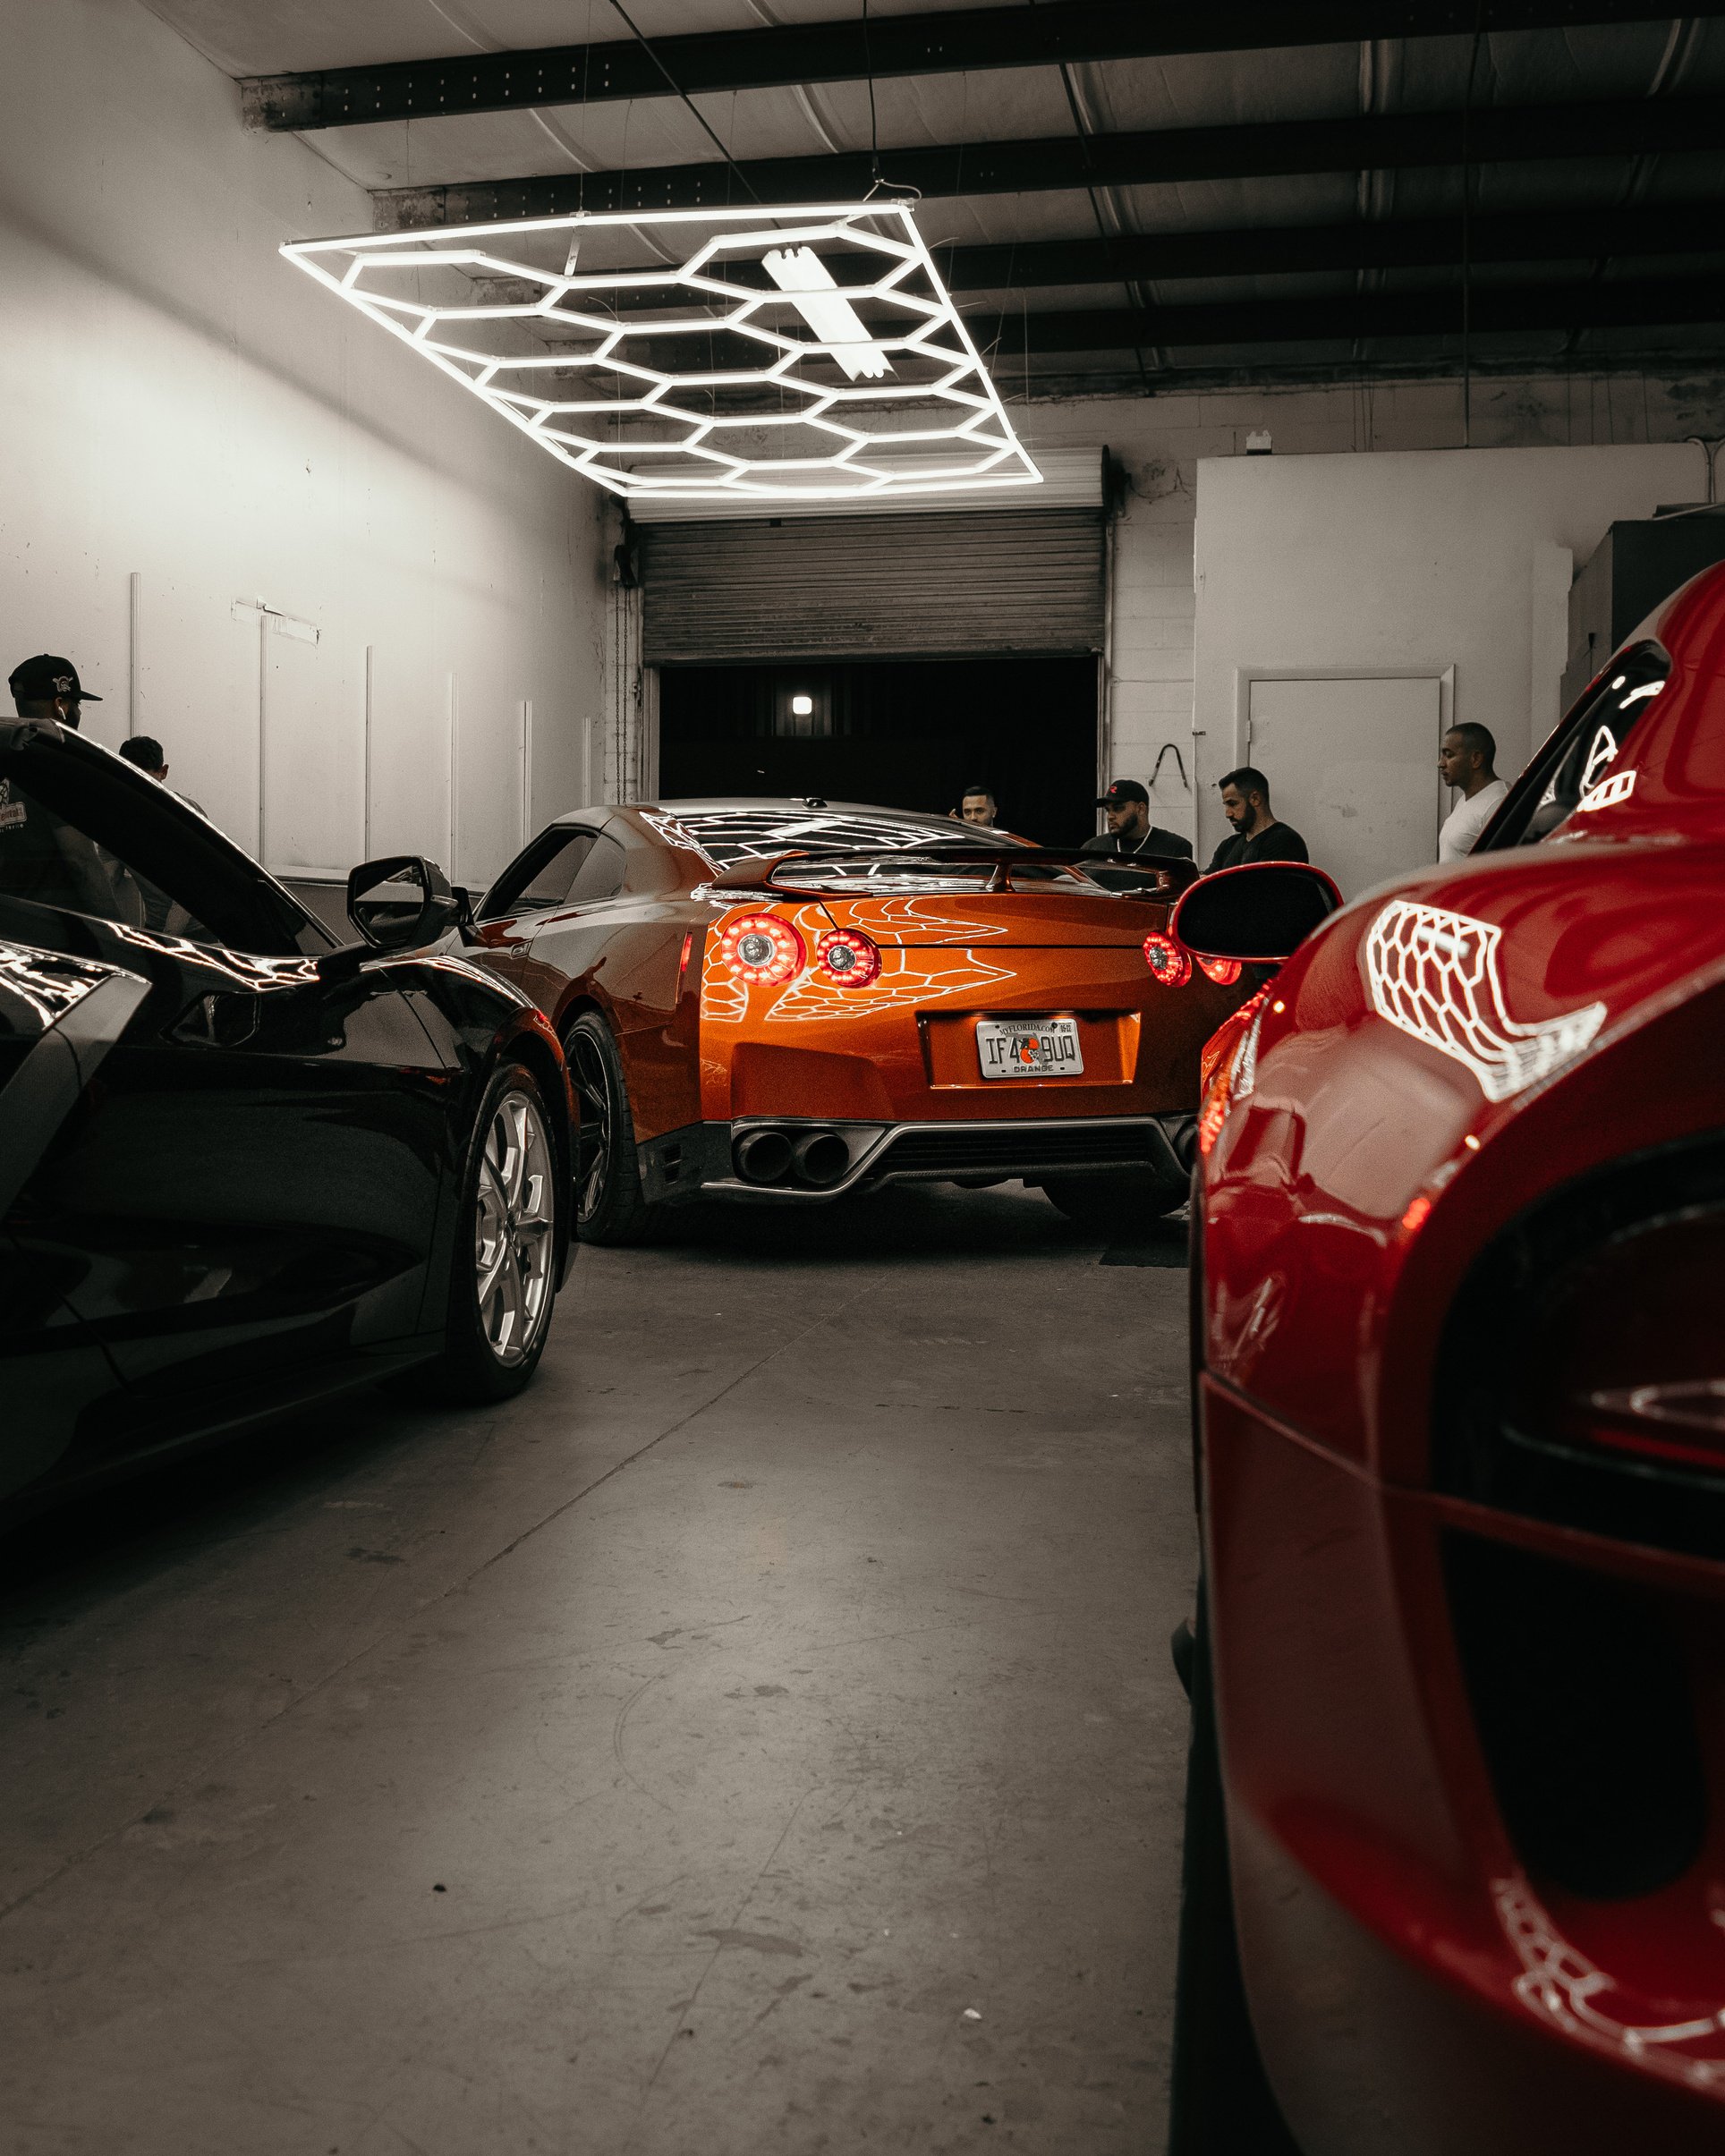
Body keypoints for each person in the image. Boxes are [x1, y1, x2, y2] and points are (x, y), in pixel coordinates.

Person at [1206, 767, 1309, 871]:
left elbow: (1258, 887)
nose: (1228, 814)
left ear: (1255, 799)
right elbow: (1206, 882)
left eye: (1233, 804)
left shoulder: (1285, 841)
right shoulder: (1228, 845)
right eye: (1226, 805)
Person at [1437, 722, 1508, 862]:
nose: (1440, 763)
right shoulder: (1465, 799)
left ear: (1475, 759)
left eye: (1449, 755)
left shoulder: (1499, 803)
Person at [1083, 778, 1193, 862]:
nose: (1110, 816)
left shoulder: (1174, 848)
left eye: (1118, 808)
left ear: (1141, 809)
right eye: (1108, 810)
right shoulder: (1092, 848)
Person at [120, 733, 206, 819]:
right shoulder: (191, 810)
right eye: (132, 782)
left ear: (163, 772)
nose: (140, 791)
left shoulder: (192, 810)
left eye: (146, 784)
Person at [9, 652, 102, 727]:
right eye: (77, 704)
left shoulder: (6, 743)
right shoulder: (70, 750)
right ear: (59, 705)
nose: (79, 712)